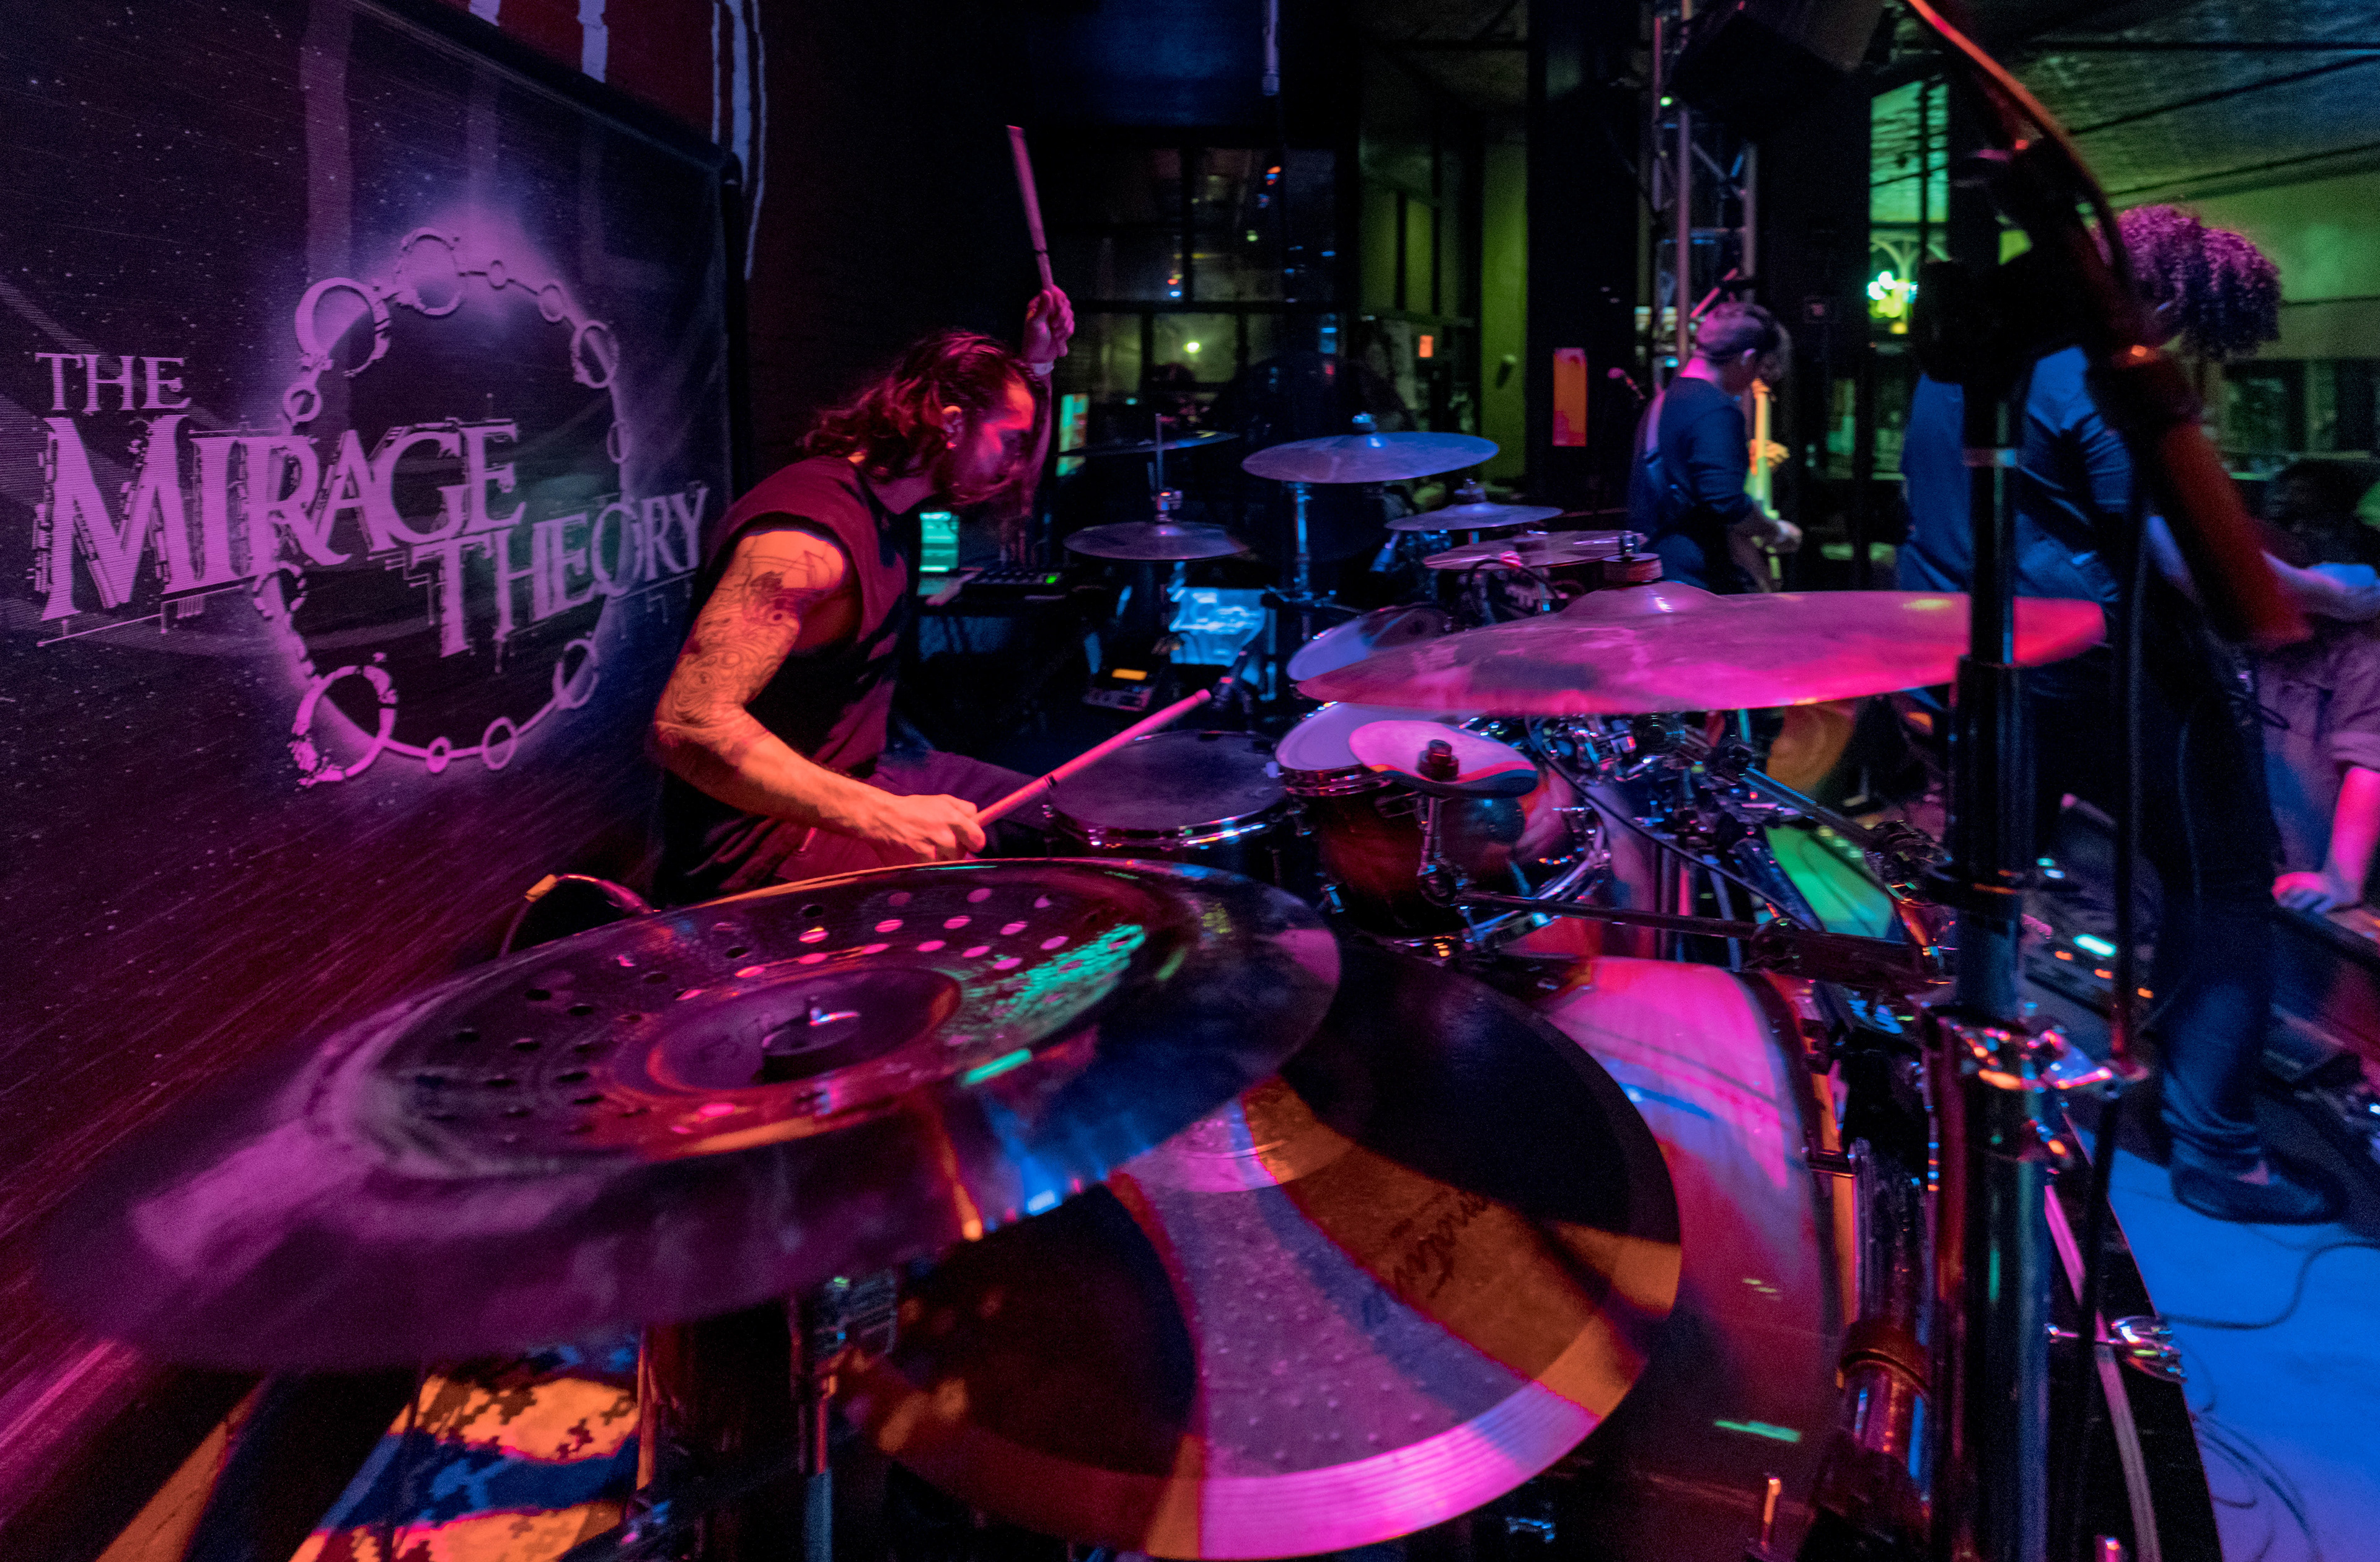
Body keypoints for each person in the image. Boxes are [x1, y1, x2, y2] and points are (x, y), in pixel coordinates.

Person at [1900, 206, 2377, 1224]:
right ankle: (2220, 1154)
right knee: (2224, 883)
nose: (2170, 345)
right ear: (2161, 292)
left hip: (1981, 660)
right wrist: (2339, 593)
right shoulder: (2094, 370)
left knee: (1982, 887)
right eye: (2181, 324)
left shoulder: (1962, 361)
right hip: (2106, 671)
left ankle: (1950, 1098)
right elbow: (2177, 556)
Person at [651, 289, 1075, 905]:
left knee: (1070, 824)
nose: (1015, 464)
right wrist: (887, 817)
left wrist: (1038, 367)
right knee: (1006, 904)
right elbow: (687, 726)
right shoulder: (806, 542)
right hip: (762, 845)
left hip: (863, 772)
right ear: (952, 423)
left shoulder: (895, 498)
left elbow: (1019, 478)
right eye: (1007, 440)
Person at [2254, 460, 2380, 915]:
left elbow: (2370, 762)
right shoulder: (2263, 619)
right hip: (2275, 870)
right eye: (2280, 519)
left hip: (2336, 890)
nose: (2294, 533)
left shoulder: (2363, 638)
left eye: (2310, 519)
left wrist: (2341, 878)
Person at [1626, 299, 1801, 593]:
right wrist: (1776, 531)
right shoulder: (1717, 409)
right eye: (1758, 367)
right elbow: (1726, 502)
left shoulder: (1664, 401)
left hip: (1654, 569)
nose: (1755, 380)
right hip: (1693, 583)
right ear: (1747, 358)